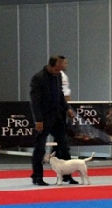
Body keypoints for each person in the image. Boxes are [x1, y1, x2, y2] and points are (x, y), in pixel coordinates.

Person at [29, 55, 77, 186]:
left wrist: (67, 108)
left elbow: (60, 95)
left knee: (64, 146)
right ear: (52, 65)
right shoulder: (38, 78)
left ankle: (67, 175)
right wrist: (38, 120)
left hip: (58, 117)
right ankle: (37, 177)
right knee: (40, 148)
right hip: (44, 118)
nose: (61, 70)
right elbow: (35, 102)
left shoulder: (58, 76)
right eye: (59, 67)